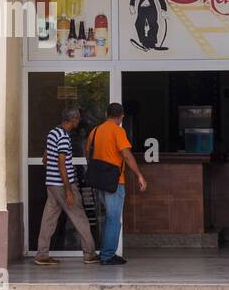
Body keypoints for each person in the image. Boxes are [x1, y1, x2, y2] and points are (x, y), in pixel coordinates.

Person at [34, 107, 98, 266]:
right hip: (64, 185)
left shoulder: (52, 133)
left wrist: (52, 174)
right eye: (78, 119)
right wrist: (69, 190)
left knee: (48, 219)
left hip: (52, 184)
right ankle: (90, 254)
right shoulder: (63, 136)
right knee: (80, 218)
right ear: (74, 119)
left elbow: (45, 159)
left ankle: (42, 254)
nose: (79, 121)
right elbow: (62, 163)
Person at [86, 103, 148, 266]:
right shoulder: (118, 131)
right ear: (121, 117)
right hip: (115, 181)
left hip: (99, 181)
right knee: (113, 218)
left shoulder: (95, 131)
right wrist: (139, 175)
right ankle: (107, 255)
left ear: (106, 114)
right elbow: (126, 156)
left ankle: (104, 252)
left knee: (106, 218)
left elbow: (88, 153)